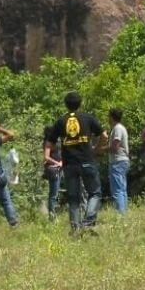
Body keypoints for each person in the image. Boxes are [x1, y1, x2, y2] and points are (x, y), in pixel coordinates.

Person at [44, 91, 105, 235]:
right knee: (95, 193)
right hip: (87, 161)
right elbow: (104, 135)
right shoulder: (88, 118)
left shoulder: (60, 121)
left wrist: (64, 144)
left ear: (66, 105)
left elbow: (50, 143)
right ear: (80, 103)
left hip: (69, 164)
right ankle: (88, 221)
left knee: (73, 197)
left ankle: (76, 228)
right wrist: (96, 149)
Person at [107, 108, 129, 213]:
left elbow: (115, 146)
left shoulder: (117, 129)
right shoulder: (119, 128)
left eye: (109, 116)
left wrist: (100, 150)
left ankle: (120, 213)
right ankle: (123, 211)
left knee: (117, 189)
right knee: (122, 188)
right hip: (122, 161)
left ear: (112, 117)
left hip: (117, 161)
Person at [41, 126, 63, 220]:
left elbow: (61, 153)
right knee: (53, 194)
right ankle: (52, 216)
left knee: (55, 193)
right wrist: (57, 163)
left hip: (58, 168)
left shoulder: (55, 142)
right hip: (52, 169)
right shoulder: (47, 143)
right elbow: (46, 157)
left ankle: (53, 214)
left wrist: (61, 162)